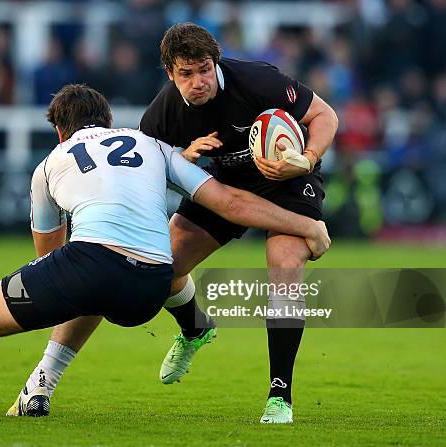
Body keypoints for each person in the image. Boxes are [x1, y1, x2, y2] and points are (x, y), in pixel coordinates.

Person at [0, 84, 330, 422]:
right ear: (109, 118)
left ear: (60, 130)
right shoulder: (153, 146)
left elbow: (50, 256)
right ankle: (40, 388)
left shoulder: (49, 165)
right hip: (153, 285)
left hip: (92, 265)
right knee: (108, 275)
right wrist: (307, 225)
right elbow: (231, 204)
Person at [17, 23, 339, 424]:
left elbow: (324, 115)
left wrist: (306, 158)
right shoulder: (163, 115)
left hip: (289, 181)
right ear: (169, 73)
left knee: (285, 265)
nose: (198, 82)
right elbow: (145, 174)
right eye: (185, 74)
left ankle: (280, 397)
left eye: (204, 69)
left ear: (215, 62)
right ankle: (194, 329)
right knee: (159, 266)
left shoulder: (257, 80)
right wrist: (184, 158)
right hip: (220, 185)